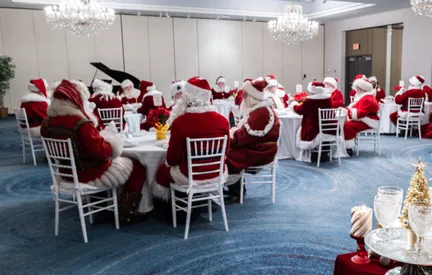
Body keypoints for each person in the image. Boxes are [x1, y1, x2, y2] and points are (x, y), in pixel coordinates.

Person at [41, 80, 146, 223]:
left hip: (65, 173)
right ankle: (125, 211)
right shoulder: (81, 124)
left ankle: (100, 205)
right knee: (137, 166)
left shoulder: (47, 123)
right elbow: (101, 154)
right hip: (87, 173)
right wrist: (110, 142)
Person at [152, 77, 230, 212]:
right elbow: (226, 152)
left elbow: (171, 159)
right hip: (217, 174)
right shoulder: (223, 121)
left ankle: (165, 208)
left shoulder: (181, 123)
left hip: (189, 175)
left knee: (162, 171)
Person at [226, 77, 280, 203]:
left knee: (228, 155)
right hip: (260, 147)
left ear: (252, 97)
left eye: (245, 95)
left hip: (262, 151)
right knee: (231, 152)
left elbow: (246, 137)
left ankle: (236, 192)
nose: (243, 98)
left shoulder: (260, 113)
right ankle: (236, 188)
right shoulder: (259, 110)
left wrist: (230, 139)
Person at [292, 81, 333, 153]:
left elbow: (300, 110)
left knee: (300, 129)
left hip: (314, 128)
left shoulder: (310, 101)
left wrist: (293, 105)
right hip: (329, 126)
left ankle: (308, 152)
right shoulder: (328, 99)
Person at [343, 76, 380, 153]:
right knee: (345, 123)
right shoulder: (363, 97)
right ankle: (344, 145)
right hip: (365, 119)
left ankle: (348, 148)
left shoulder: (367, 99)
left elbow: (360, 114)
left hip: (369, 121)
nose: (356, 90)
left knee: (347, 126)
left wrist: (349, 112)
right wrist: (348, 110)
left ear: (363, 89)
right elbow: (355, 108)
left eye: (358, 88)